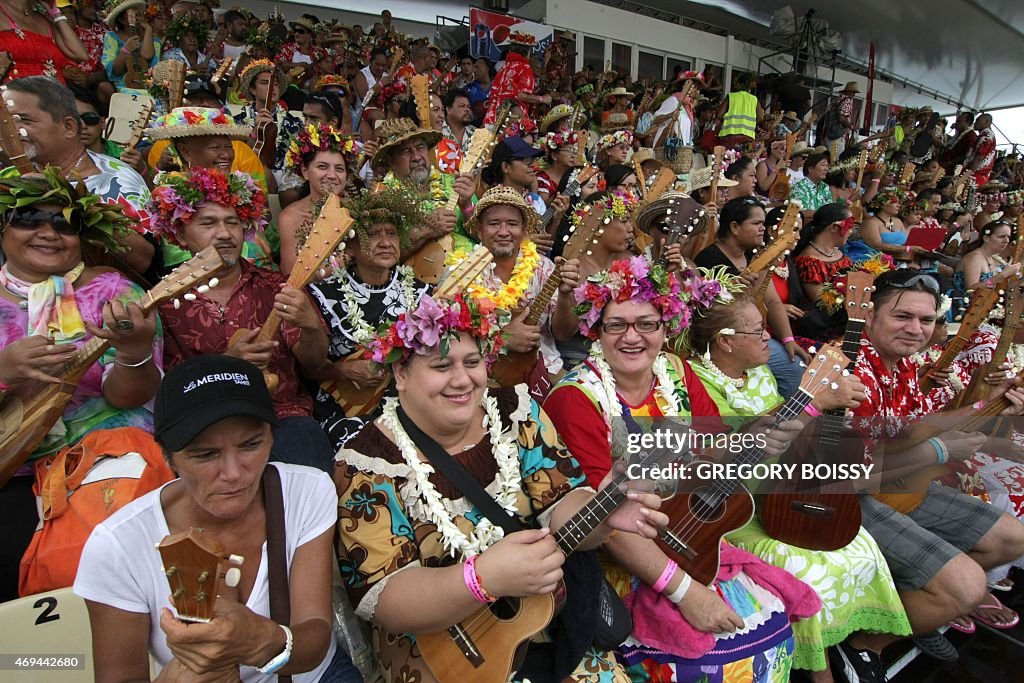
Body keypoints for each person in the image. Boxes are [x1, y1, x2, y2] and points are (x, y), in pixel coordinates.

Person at [335, 291, 669, 683]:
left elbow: (564, 504)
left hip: (543, 624)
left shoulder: (517, 412)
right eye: (442, 365)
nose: (462, 380)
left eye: (473, 362)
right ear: (401, 374)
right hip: (443, 658)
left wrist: (603, 512)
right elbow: (386, 600)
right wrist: (483, 579)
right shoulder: (364, 463)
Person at [544, 257, 822, 683]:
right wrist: (686, 592)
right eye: (617, 325)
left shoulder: (676, 371)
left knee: (775, 635)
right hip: (621, 562)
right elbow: (606, 519)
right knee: (719, 665)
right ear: (596, 331)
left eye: (647, 324)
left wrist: (752, 439)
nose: (633, 337)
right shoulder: (576, 398)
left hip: (690, 536)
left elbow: (710, 449)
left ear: (665, 327)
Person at [73, 354, 361, 682]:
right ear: (168, 457)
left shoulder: (307, 490)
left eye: (251, 444)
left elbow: (316, 638)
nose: (233, 473)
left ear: (271, 436)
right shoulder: (117, 547)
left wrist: (260, 639)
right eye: (205, 454)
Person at [685, 295, 912, 682]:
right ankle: (816, 664)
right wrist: (809, 400)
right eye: (757, 331)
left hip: (783, 489)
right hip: (738, 503)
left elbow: (791, 434)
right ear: (724, 341)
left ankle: (854, 647)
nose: (769, 338)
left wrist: (826, 412)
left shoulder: (758, 372)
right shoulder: (697, 379)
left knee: (861, 547)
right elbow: (735, 444)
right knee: (803, 566)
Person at [0, 168, 162, 601]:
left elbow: (127, 395)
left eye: (63, 222)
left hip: (104, 456)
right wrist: (5, 370)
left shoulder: (114, 293)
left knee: (105, 544)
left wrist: (133, 351)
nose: (48, 232)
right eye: (29, 218)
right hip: (10, 468)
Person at [850, 270, 1024, 661]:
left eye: (926, 320)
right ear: (871, 316)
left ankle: (916, 605)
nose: (916, 329)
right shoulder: (851, 372)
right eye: (902, 317)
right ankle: (863, 645)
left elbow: (914, 427)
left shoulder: (903, 362)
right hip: (846, 501)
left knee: (1011, 537)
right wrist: (938, 453)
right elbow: (853, 477)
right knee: (966, 586)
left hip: (896, 484)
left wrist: (985, 404)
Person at [147, 168, 335, 473]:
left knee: (308, 474)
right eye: (208, 223)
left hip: (281, 416)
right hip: (204, 425)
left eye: (232, 222)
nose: (224, 233)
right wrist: (227, 364)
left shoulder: (277, 285)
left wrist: (310, 324)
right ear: (180, 234)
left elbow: (313, 365)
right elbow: (167, 387)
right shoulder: (164, 301)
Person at [308, 186, 429, 448]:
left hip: (410, 404)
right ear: (349, 244)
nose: (385, 242)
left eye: (392, 234)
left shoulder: (421, 294)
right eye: (373, 235)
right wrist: (340, 370)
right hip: (347, 407)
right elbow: (304, 366)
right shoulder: (322, 294)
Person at [4, 76, 156, 278]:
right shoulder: (8, 177)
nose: (11, 131)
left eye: (23, 120)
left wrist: (75, 202)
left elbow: (144, 260)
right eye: (6, 122)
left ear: (69, 127)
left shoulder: (117, 180)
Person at [462, 186, 579, 395]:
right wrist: (501, 338)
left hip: (545, 373)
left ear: (524, 229)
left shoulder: (544, 268)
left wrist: (565, 295)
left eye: (512, 224)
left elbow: (564, 333)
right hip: (479, 379)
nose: (504, 232)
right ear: (479, 229)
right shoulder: (460, 273)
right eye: (494, 224)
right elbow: (448, 338)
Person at [695, 197, 811, 399]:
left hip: (756, 335)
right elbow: (713, 315)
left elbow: (772, 301)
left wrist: (788, 340)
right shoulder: (709, 259)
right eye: (756, 223)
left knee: (797, 365)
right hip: (729, 340)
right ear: (734, 227)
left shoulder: (753, 255)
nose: (763, 229)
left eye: (764, 224)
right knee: (793, 371)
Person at [145, 106, 273, 269]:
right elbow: (182, 260)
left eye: (228, 146)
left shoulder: (241, 185)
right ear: (185, 152)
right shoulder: (172, 195)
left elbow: (262, 235)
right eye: (214, 147)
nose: (226, 155)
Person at [373, 117, 476, 257]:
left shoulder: (455, 183)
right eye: (406, 151)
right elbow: (381, 255)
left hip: (471, 264)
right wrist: (425, 230)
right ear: (391, 161)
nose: (416, 157)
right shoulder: (382, 197)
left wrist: (466, 208)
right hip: (418, 275)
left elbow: (486, 237)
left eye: (420, 147)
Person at [277, 124, 357, 274]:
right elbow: (292, 274)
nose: (332, 175)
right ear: (305, 172)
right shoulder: (290, 217)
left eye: (339, 169)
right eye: (322, 167)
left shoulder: (359, 212)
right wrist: (352, 254)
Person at [233, 59, 305, 202]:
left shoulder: (295, 122)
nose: (272, 88)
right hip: (250, 175)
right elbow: (237, 155)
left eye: (275, 84)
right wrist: (255, 132)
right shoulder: (237, 122)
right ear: (253, 90)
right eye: (264, 83)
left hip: (287, 178)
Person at [0, 0, 87, 83]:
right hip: (15, 93)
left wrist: (55, 13)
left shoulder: (43, 20)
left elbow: (81, 55)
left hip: (55, 93)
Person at [484, 31, 551, 127]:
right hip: (511, 117)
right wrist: (542, 99)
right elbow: (520, 95)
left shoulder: (504, 67)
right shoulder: (525, 67)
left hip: (492, 116)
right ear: (527, 52)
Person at [481, 136, 547, 216]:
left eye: (532, 160)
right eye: (527, 161)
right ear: (506, 167)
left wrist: (556, 219)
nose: (533, 165)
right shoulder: (493, 204)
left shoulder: (534, 200)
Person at [101, 0, 155, 96]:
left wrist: (149, 30)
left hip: (148, 85)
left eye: (139, 15)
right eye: (133, 16)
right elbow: (113, 72)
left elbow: (147, 55)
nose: (138, 18)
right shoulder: (112, 37)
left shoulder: (153, 40)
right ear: (122, 20)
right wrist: (126, 50)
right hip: (124, 85)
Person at [953, 221, 1022, 292]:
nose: (1006, 240)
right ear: (986, 238)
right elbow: (971, 289)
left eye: (1008, 237)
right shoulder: (975, 257)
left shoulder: (990, 257)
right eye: (1001, 237)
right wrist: (1002, 275)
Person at [789, 152, 832, 218]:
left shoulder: (825, 187)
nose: (826, 169)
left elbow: (830, 209)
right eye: (823, 165)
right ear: (810, 169)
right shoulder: (799, 187)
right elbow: (802, 213)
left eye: (827, 166)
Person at [965, 113, 997, 187]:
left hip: (975, 176)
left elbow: (979, 157)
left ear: (986, 122)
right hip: (978, 175)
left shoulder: (986, 136)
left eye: (977, 120)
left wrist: (968, 175)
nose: (975, 123)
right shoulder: (987, 135)